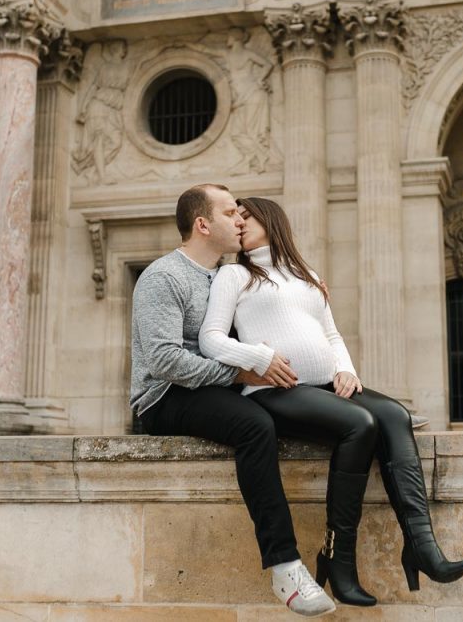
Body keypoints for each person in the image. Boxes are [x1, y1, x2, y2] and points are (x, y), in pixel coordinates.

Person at [199, 196, 463, 606]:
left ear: (271, 220)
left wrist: (346, 369)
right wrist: (260, 357)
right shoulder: (233, 275)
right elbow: (211, 339)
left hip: (326, 384)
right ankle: (338, 559)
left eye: (246, 216)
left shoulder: (306, 274)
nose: (238, 223)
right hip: (276, 391)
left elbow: (331, 334)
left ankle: (421, 545)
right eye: (234, 216)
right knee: (360, 424)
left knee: (394, 414)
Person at [130, 184, 336, 617]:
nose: (241, 219)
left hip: (218, 389)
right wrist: (239, 374)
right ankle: (285, 567)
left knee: (284, 406)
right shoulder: (163, 277)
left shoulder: (227, 274)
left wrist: (304, 291)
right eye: (230, 213)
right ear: (202, 225)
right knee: (254, 425)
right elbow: (164, 360)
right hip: (165, 396)